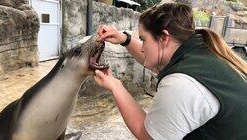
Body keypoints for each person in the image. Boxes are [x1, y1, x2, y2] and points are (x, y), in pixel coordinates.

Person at [94, 3, 247, 140]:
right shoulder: (201, 51)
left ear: (164, 38)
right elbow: (154, 59)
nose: (141, 46)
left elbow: (148, 136)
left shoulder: (182, 84)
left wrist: (116, 86)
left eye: (144, 39)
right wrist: (124, 39)